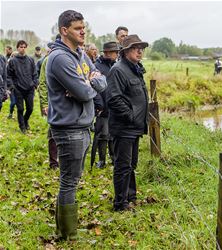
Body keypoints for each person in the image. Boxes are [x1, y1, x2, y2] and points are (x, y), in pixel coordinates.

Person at [46, 10, 106, 241]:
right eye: (77, 28)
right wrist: (87, 85)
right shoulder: (60, 58)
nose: (83, 31)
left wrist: (90, 82)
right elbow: (83, 92)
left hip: (82, 126)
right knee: (69, 180)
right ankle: (68, 233)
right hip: (69, 128)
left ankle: (65, 228)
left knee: (72, 178)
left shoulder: (80, 54)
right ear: (64, 31)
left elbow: (99, 80)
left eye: (84, 27)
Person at [106, 34, 149, 211]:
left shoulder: (135, 68)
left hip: (134, 127)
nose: (140, 51)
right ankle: (120, 203)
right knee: (122, 166)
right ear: (125, 51)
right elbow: (114, 98)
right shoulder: (118, 70)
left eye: (141, 48)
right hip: (124, 127)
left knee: (131, 165)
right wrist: (131, 116)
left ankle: (130, 196)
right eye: (135, 48)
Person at [91, 41, 119, 169]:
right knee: (102, 135)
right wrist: (99, 104)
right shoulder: (96, 66)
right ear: (107, 53)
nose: (117, 54)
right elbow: (92, 87)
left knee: (114, 134)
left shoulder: (118, 66)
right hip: (102, 107)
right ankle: (102, 160)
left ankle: (114, 158)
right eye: (115, 52)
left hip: (116, 107)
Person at [7, 40, 38, 133]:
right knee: (20, 109)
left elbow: (35, 73)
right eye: (21, 47)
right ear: (17, 48)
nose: (23, 49)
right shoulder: (12, 61)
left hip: (29, 88)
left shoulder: (30, 60)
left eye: (24, 47)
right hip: (18, 89)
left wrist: (35, 83)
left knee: (30, 108)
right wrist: (12, 86)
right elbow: (9, 75)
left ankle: (25, 120)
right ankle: (22, 127)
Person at [38, 41, 58, 169]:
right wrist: (44, 103)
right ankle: (53, 162)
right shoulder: (48, 60)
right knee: (53, 131)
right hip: (52, 102)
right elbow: (43, 83)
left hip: (67, 104)